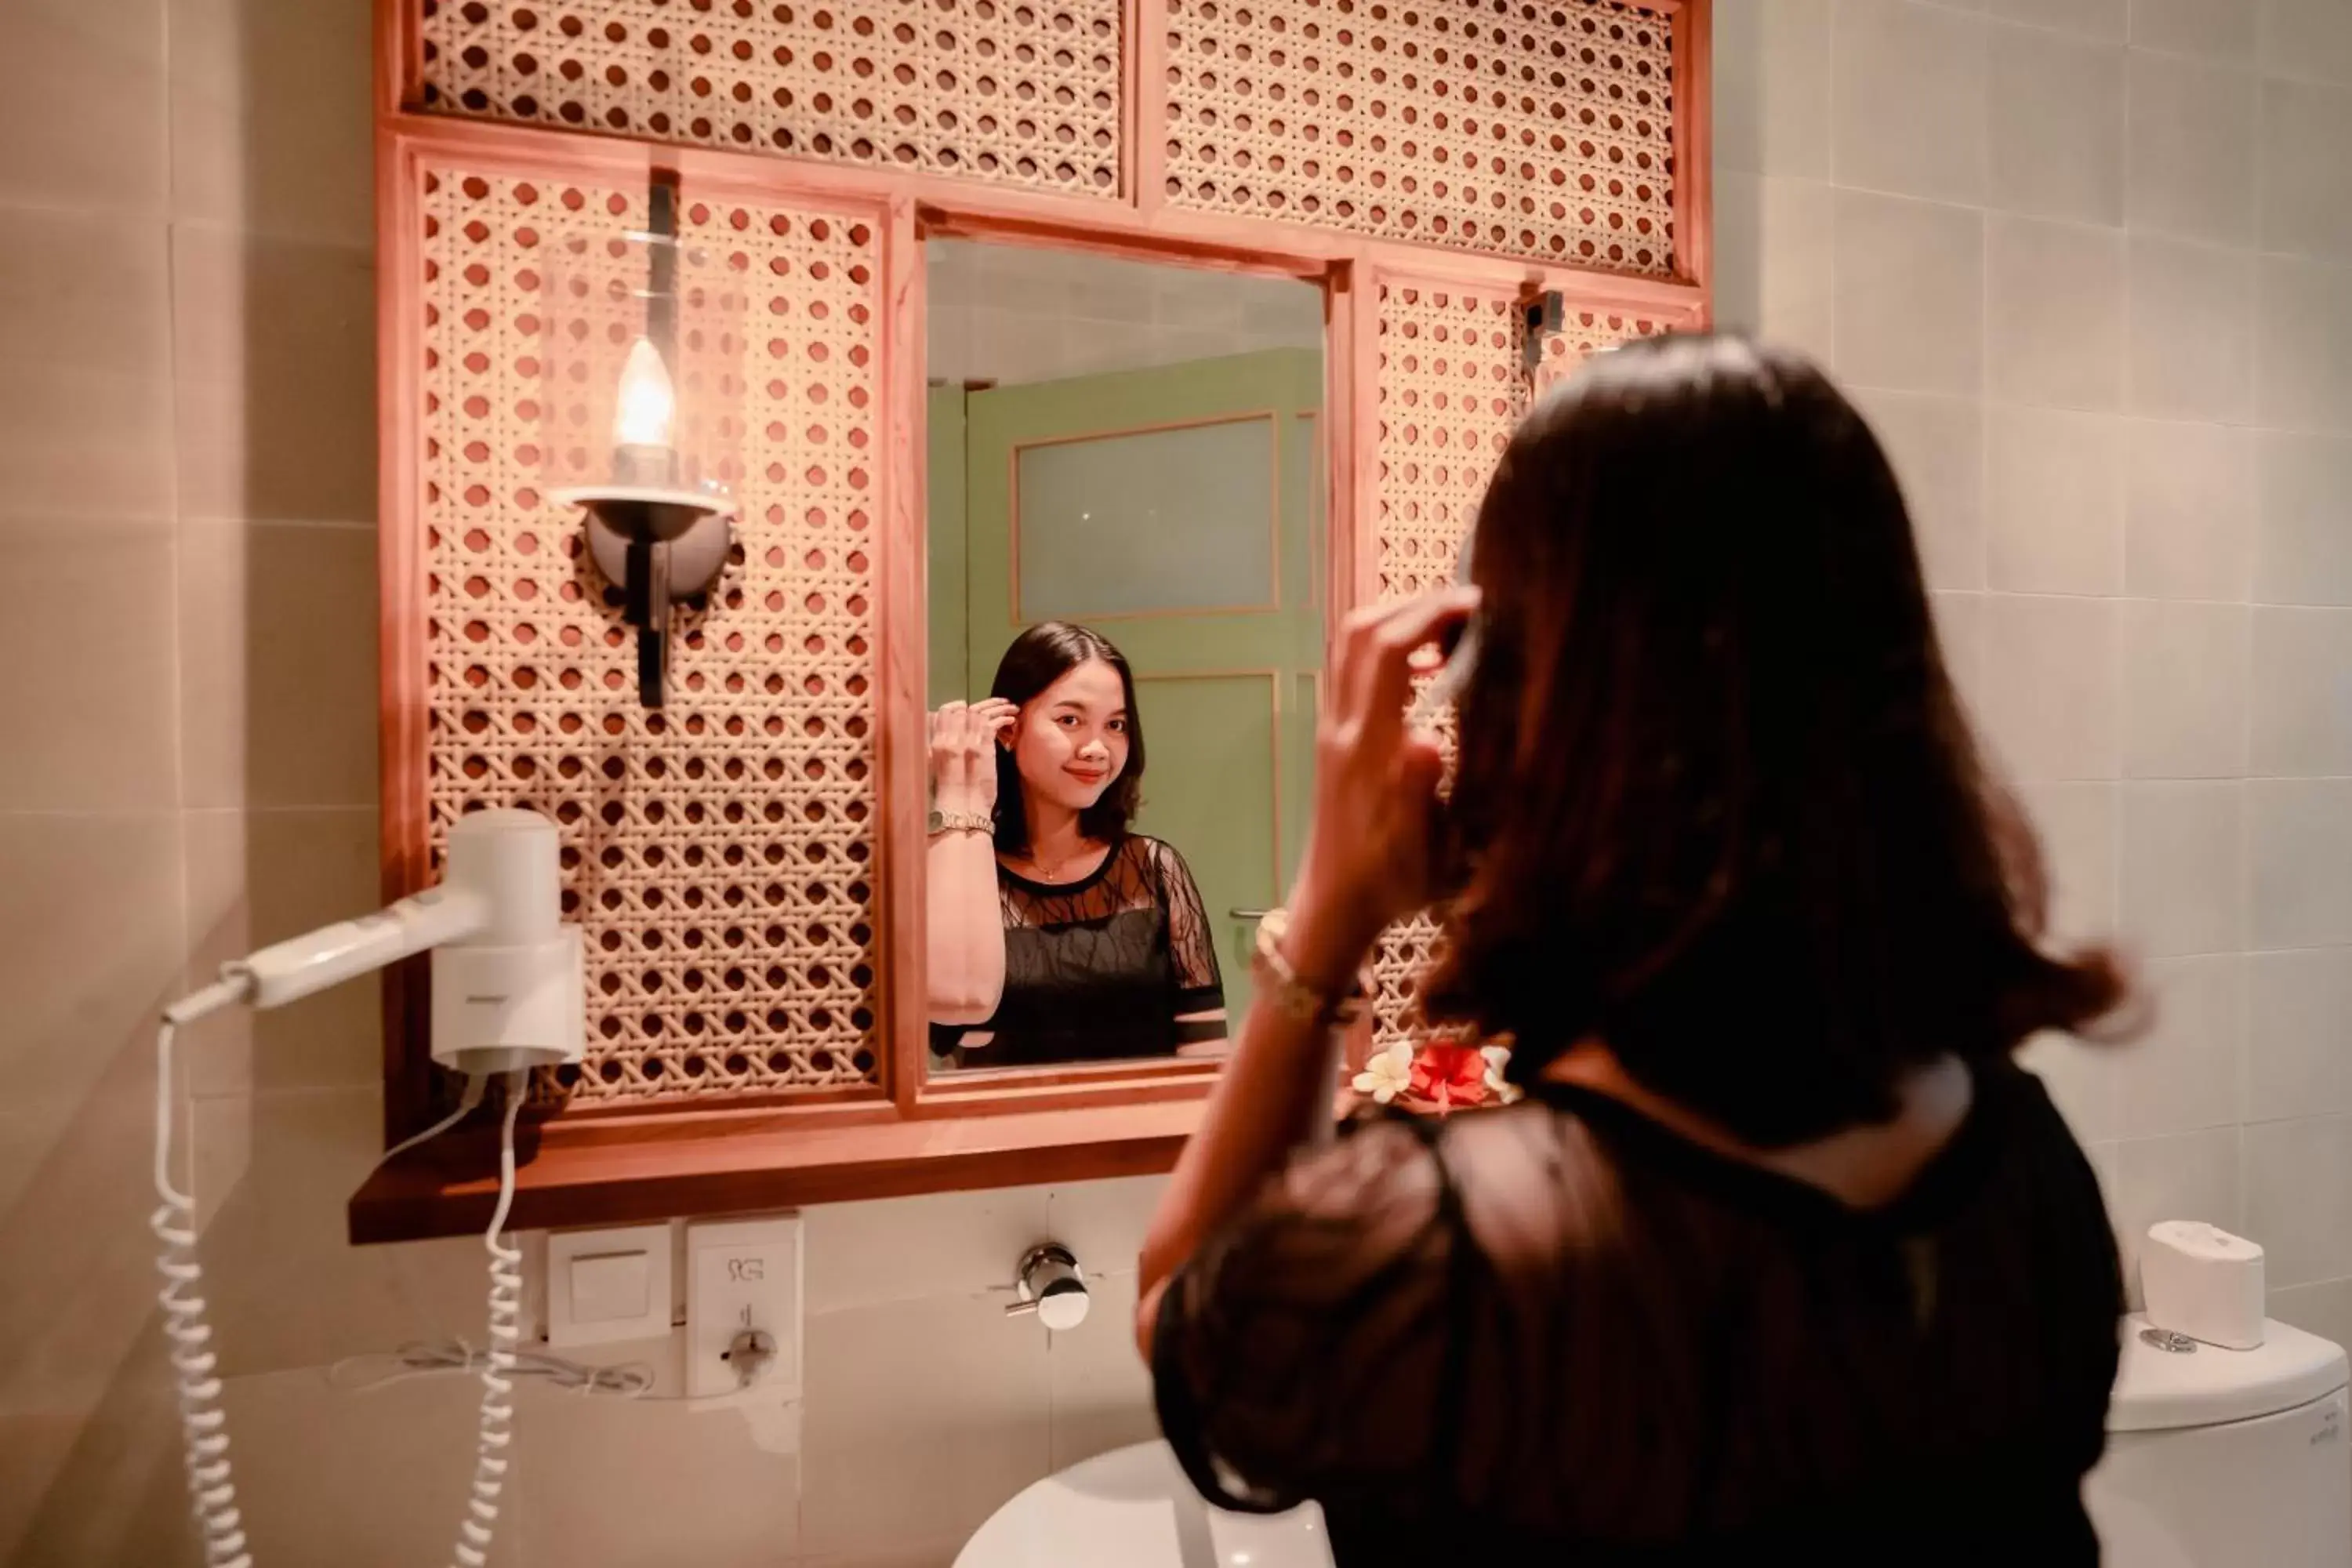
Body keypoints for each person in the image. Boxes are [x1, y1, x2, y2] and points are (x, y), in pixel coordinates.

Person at [1136, 336, 2131, 1564]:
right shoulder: (2030, 1172)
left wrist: (1332, 918)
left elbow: (1182, 1323)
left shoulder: (1444, 1254)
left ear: (1525, 704)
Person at [927, 621, 1228, 1067]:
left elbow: (1206, 1058)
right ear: (1008, 730)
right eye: (1070, 720)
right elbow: (952, 1010)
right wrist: (960, 793)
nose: (1097, 748)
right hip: (1002, 1134)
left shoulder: (1155, 868)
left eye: (1116, 725)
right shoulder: (960, 869)